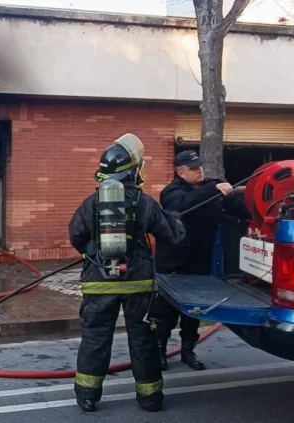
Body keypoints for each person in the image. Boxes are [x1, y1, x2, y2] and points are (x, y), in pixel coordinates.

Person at [68, 134, 186, 413]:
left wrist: (92, 251)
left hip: (99, 284)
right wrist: (177, 220)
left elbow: (76, 234)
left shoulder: (93, 202)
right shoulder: (144, 203)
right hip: (139, 284)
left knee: (95, 338)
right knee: (143, 339)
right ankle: (150, 398)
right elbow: (171, 235)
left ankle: (87, 396)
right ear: (134, 170)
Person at [153, 150, 249, 371]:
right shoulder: (172, 192)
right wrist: (213, 187)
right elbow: (183, 205)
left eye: (200, 167)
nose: (200, 171)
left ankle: (188, 350)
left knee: (194, 312)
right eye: (194, 168)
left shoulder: (208, 189)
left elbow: (236, 206)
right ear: (181, 172)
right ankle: (160, 351)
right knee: (166, 311)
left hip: (200, 261)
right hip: (174, 263)